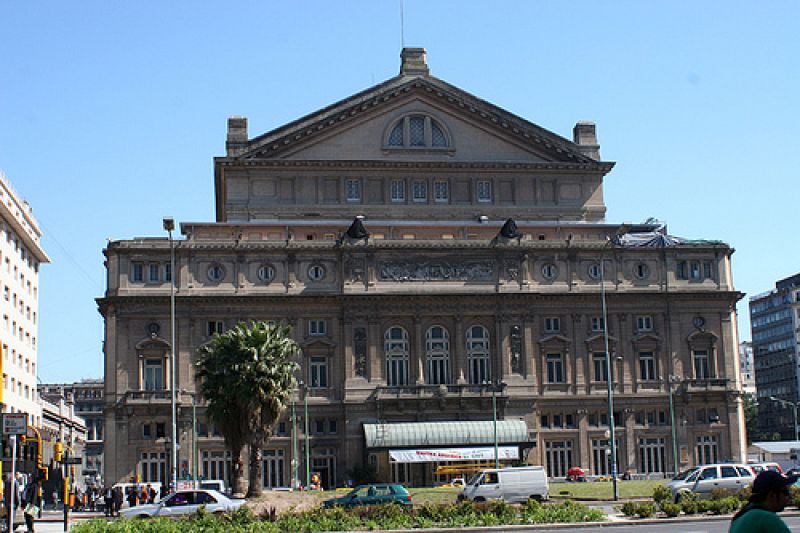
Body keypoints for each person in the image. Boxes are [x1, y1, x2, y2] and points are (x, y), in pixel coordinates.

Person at [729, 470, 798, 532]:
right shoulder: (767, 518)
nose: (788, 497)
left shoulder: (739, 517)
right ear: (771, 495)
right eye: (785, 492)